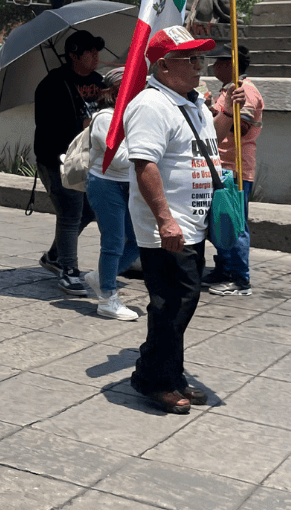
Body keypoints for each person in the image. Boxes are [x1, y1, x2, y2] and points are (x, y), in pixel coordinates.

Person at [124, 26, 217, 415]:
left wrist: (233, 112)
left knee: (183, 302)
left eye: (200, 58)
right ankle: (153, 379)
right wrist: (165, 220)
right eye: (191, 59)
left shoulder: (191, 103)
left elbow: (204, 147)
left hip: (193, 223)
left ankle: (170, 373)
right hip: (168, 229)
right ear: (163, 66)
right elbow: (144, 163)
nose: (200, 66)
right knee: (171, 305)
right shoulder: (151, 105)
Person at [33, 30, 104, 295]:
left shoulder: (100, 82)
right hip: (58, 160)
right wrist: (81, 125)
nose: (96, 56)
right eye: (89, 51)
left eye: (97, 51)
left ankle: (54, 255)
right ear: (74, 55)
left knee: (88, 212)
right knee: (70, 212)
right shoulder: (52, 84)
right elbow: (47, 127)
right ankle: (69, 270)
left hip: (91, 161)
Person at [204, 44, 262, 296]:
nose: (214, 67)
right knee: (220, 222)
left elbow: (243, 127)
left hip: (235, 168)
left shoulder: (243, 91)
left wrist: (224, 112)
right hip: (222, 165)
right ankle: (224, 268)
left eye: (218, 62)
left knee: (234, 222)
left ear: (230, 64)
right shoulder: (228, 90)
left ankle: (240, 279)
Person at [82, 68, 139, 321]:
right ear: (116, 92)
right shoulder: (106, 118)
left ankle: (100, 276)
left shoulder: (129, 116)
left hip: (127, 186)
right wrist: (149, 153)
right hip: (106, 185)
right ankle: (107, 298)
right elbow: (118, 159)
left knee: (137, 239)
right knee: (114, 241)